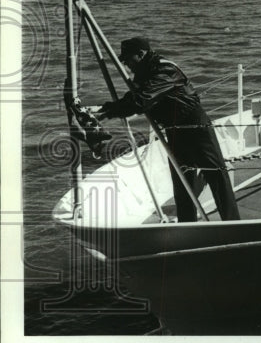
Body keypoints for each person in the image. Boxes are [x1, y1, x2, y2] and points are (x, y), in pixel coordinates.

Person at [97, 37, 240, 222]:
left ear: (140, 55)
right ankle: (187, 225)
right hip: (174, 130)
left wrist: (113, 111)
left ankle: (232, 222)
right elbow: (132, 98)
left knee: (216, 175)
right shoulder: (145, 72)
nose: (126, 65)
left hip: (195, 127)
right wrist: (107, 109)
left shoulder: (164, 69)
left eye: (128, 60)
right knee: (181, 180)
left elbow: (141, 101)